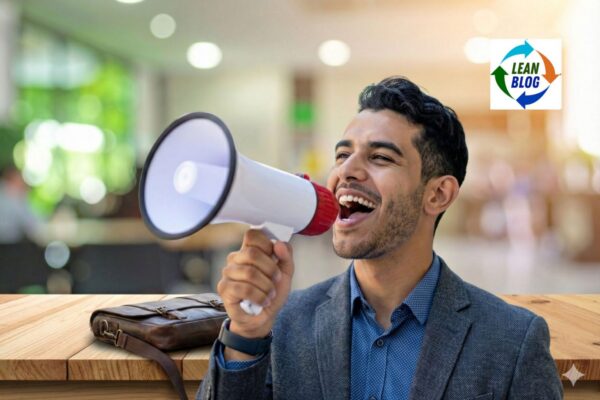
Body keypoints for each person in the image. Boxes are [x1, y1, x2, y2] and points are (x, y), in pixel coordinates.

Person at [197, 77, 563, 400]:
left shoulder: (512, 340)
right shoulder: (282, 325)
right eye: (342, 154)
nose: (345, 171)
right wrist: (245, 335)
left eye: (381, 157)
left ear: (438, 194)